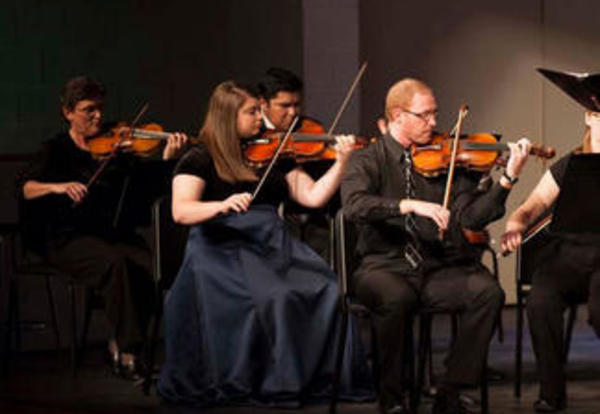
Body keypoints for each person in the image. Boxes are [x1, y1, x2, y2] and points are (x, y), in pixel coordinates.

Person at [157, 80, 371, 407]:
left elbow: (312, 197)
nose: (261, 118)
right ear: (228, 116)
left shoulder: (275, 153)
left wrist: (342, 163)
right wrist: (221, 205)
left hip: (270, 243)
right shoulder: (199, 157)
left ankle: (315, 378)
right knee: (276, 296)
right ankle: (274, 380)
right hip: (221, 246)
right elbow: (181, 211)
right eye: (252, 111)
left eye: (259, 110)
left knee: (325, 288)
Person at [341, 78, 531, 414]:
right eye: (424, 115)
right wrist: (407, 205)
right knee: (397, 297)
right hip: (382, 266)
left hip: (434, 268)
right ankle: (393, 399)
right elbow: (355, 205)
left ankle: (450, 390)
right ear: (398, 116)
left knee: (487, 292)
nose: (434, 123)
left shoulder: (448, 159)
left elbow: (472, 218)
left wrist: (507, 180)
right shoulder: (367, 159)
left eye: (435, 114)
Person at [18, 76, 188, 379]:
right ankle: (130, 352)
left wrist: (167, 159)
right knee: (115, 264)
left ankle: (118, 341)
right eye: (88, 110)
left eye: (100, 108)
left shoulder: (118, 150)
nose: (98, 116)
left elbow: (146, 192)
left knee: (152, 267)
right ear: (68, 113)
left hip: (108, 234)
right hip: (65, 238)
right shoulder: (55, 149)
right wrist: (58, 187)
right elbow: (26, 188)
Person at [501, 71, 600, 413]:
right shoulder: (569, 164)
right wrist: (516, 222)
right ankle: (551, 393)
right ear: (589, 117)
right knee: (540, 301)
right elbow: (533, 205)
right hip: (567, 255)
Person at [257, 67, 335, 260]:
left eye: (297, 104)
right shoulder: (251, 131)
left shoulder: (309, 129)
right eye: (284, 106)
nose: (293, 113)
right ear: (263, 103)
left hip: (306, 213)